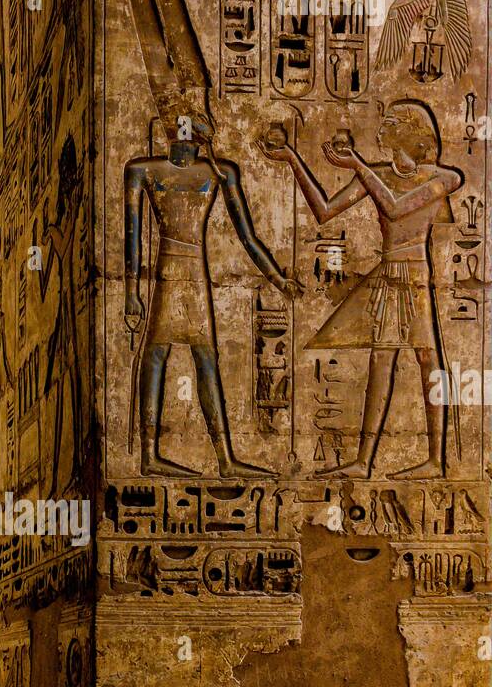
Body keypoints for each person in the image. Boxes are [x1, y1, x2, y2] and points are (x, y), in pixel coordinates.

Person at [258, 100, 462, 477]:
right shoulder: (375, 174)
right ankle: (364, 462)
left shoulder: (444, 178)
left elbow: (397, 207)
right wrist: (292, 159)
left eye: (391, 122)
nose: (383, 127)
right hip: (388, 273)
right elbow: (324, 210)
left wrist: (359, 167)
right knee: (380, 363)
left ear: (409, 133)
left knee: (427, 360)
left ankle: (435, 460)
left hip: (417, 275)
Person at [125, 109, 301, 477]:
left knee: (206, 359)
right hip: (168, 271)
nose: (185, 145)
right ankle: (149, 455)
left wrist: (277, 279)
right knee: (156, 355)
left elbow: (247, 237)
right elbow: (134, 240)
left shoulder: (219, 173)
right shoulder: (142, 170)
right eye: (181, 134)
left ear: (203, 139)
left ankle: (225, 459)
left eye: (193, 137)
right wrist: (131, 294)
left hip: (194, 271)